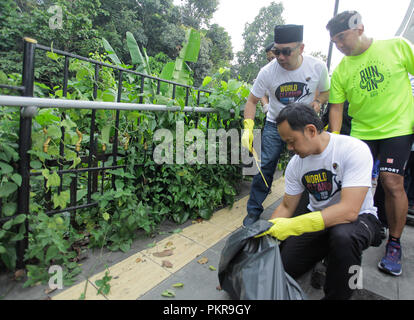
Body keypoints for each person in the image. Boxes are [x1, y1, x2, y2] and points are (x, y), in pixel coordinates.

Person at [257, 103, 382, 300]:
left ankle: (342, 292)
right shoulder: (296, 165)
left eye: (292, 141)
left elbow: (349, 211)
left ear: (311, 130)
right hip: (318, 221)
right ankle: (326, 256)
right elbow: (287, 206)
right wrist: (267, 236)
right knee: (285, 264)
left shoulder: (353, 149)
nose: (289, 148)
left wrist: (294, 226)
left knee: (344, 238)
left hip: (358, 219)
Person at [326, 10, 414, 277]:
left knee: (390, 181)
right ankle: (357, 230)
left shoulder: (396, 46)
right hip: (363, 131)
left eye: (342, 37)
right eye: (334, 41)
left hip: (398, 127)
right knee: (352, 183)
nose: (339, 45)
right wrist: (336, 141)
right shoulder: (341, 70)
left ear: (359, 28)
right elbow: (337, 108)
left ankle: (394, 244)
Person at [241, 24, 330, 226]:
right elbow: (252, 101)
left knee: (308, 167)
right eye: (276, 51)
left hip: (303, 127)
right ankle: (253, 212)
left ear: (301, 48)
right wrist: (248, 128)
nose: (280, 57)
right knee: (264, 168)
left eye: (286, 52)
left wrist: (316, 104)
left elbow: (325, 92)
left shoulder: (317, 67)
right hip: (274, 125)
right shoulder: (267, 72)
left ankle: (304, 212)